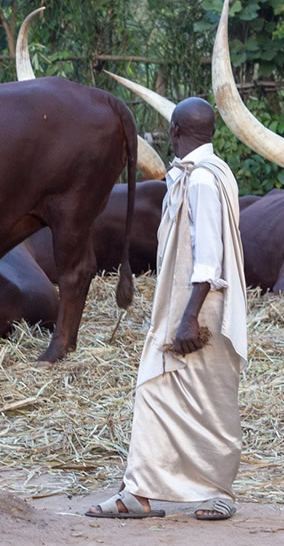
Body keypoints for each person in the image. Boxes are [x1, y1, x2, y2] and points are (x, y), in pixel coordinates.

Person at [86, 96, 248, 521]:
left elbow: (210, 257)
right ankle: (139, 492)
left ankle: (216, 493)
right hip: (190, 304)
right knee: (162, 392)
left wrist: (190, 315)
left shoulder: (201, 180)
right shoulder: (212, 172)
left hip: (200, 306)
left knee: (206, 400)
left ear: (175, 131)